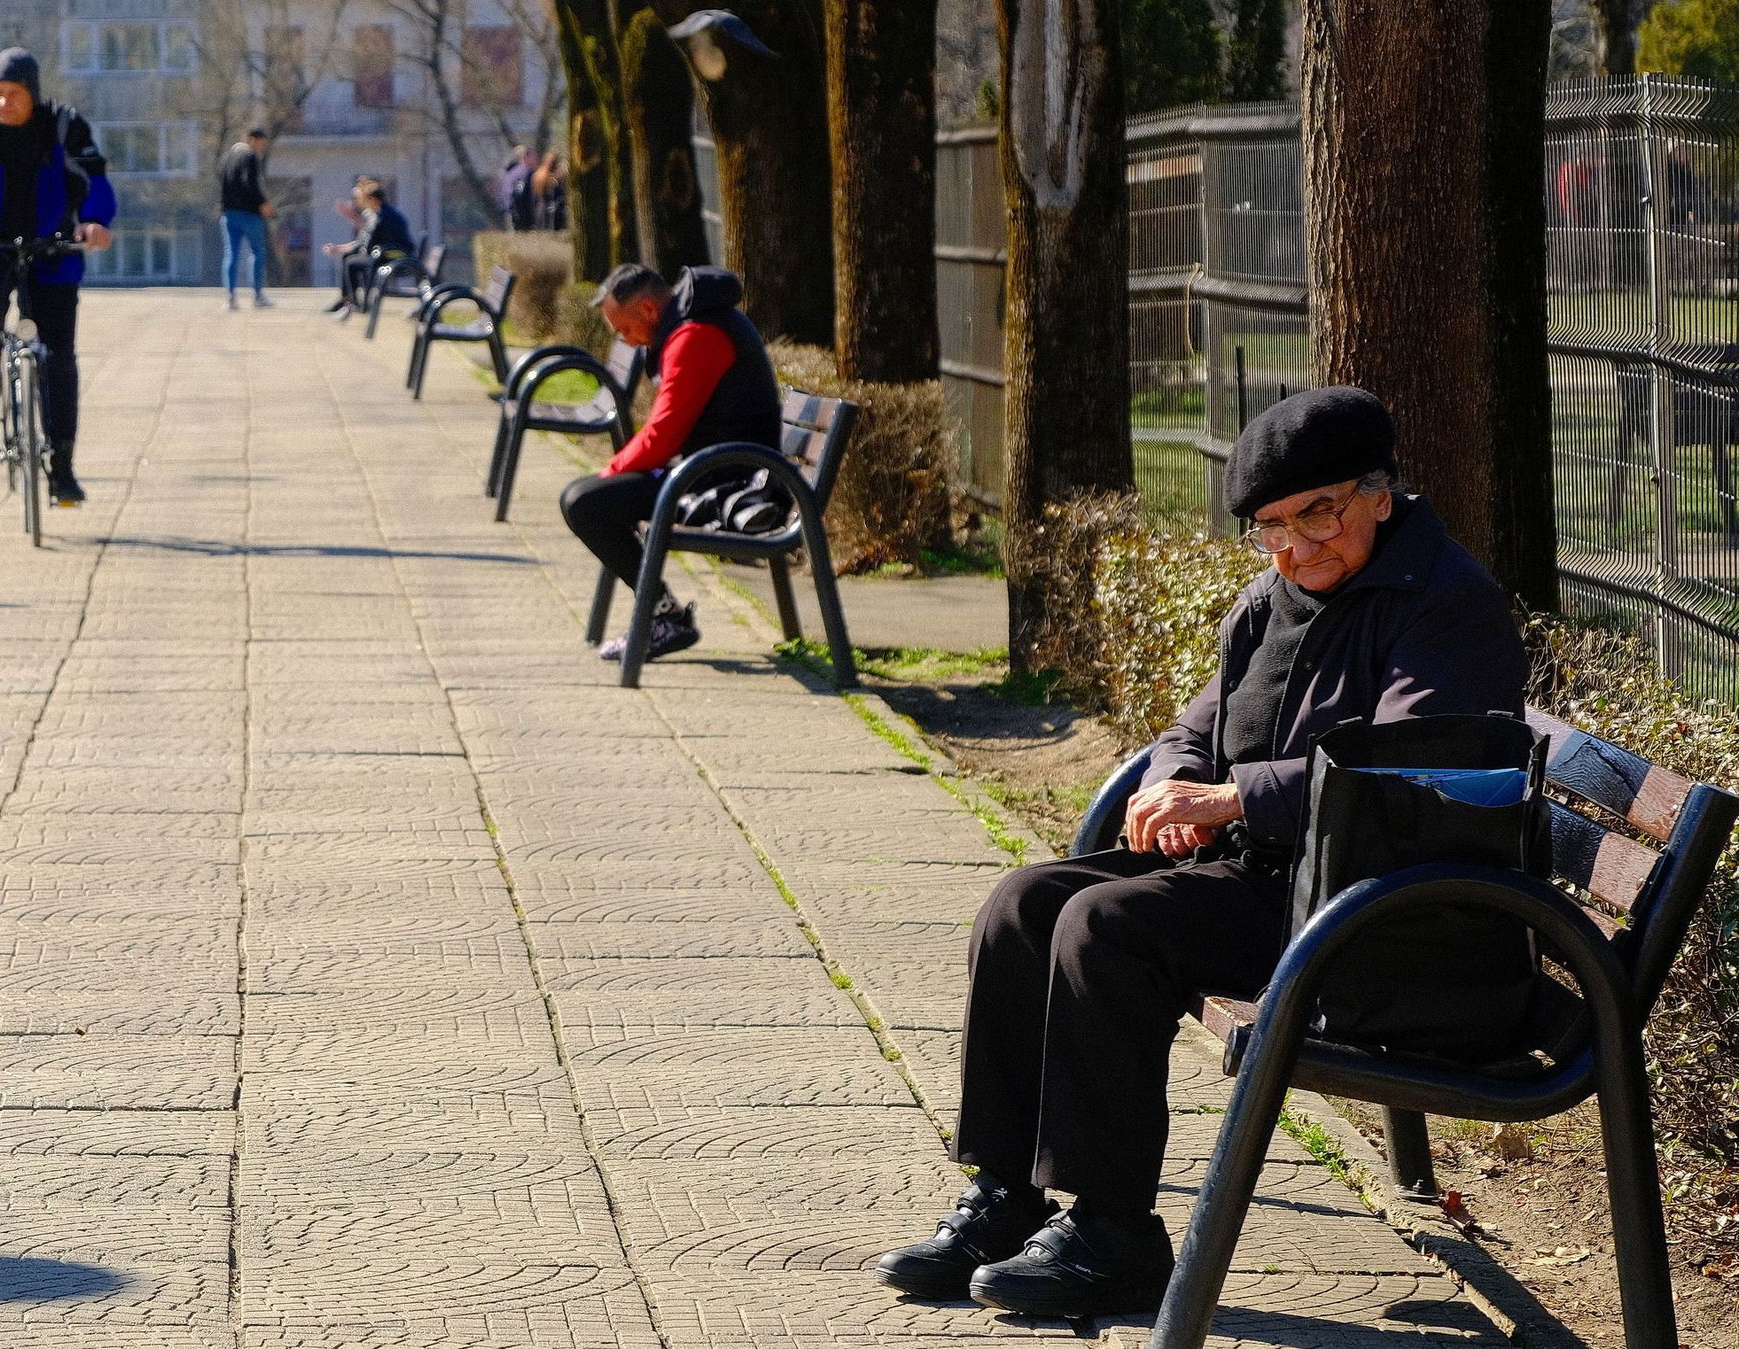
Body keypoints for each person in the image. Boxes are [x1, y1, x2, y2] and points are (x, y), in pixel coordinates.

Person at [872, 387, 1527, 1318]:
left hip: (1380, 913)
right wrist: (1175, 781)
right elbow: (1195, 727)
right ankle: (1007, 1195)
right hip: (1277, 879)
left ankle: (1114, 1236)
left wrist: (1231, 797)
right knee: (1023, 904)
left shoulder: (1448, 605)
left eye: (1319, 514)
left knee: (1108, 925)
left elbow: (1403, 775)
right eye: (1272, 528)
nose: (1296, 547)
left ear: (1381, 494)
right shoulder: (1275, 597)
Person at [558, 263, 779, 663]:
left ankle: (666, 618)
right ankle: (662, 614)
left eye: (625, 330)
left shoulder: (695, 336)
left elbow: (663, 437)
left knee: (585, 504)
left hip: (726, 484)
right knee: (584, 495)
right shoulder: (697, 324)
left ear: (648, 309)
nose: (627, 340)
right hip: (714, 470)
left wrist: (611, 471)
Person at [0, 46, 116, 506]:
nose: (4, 102)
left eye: (14, 93)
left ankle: (62, 467)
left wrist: (94, 222)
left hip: (52, 245)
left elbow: (95, 181)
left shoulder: (65, 126)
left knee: (60, 356)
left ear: (33, 93)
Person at [322, 180, 412, 317]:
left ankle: (353, 302)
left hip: (393, 257)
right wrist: (342, 249)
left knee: (351, 262)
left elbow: (367, 244)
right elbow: (365, 242)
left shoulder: (381, 216)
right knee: (349, 257)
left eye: (362, 198)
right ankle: (347, 300)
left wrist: (340, 249)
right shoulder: (381, 212)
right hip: (387, 254)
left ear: (372, 199)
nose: (359, 202)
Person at [218, 127, 275, 310]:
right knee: (257, 252)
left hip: (229, 214)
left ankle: (230, 297)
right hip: (250, 214)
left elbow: (221, 180)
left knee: (231, 254)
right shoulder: (250, 156)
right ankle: (257, 295)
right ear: (252, 140)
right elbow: (250, 182)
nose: (261, 148)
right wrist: (263, 203)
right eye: (261, 144)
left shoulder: (227, 158)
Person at [501, 145, 538, 230]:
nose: (536, 159)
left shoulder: (513, 172)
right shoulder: (524, 172)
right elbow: (519, 194)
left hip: (511, 211)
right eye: (534, 157)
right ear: (526, 157)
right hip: (518, 212)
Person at [533, 153, 567, 230]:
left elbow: (535, 196)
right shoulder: (552, 179)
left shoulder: (538, 175)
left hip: (540, 208)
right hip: (550, 210)